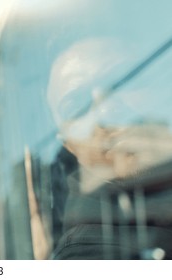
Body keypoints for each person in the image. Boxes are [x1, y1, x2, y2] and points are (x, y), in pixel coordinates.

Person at [46, 38, 172, 259]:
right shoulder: (82, 253)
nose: (105, 110)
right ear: (68, 143)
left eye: (121, 80)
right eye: (76, 106)